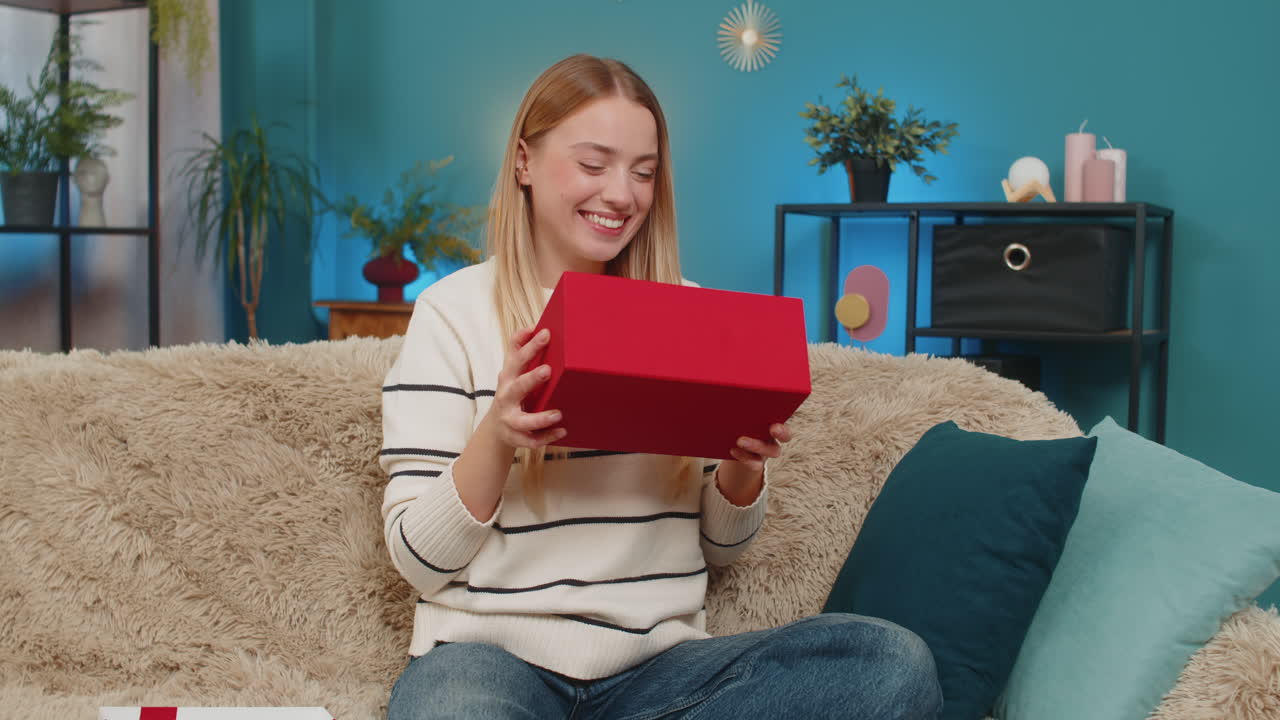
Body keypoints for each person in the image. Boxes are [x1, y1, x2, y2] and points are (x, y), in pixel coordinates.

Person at [379, 54, 942, 719]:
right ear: (524, 162)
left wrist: (742, 466)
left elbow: (722, 549)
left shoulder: (687, 311)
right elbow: (418, 561)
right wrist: (498, 438)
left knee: (890, 665)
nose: (622, 195)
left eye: (643, 173)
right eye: (594, 165)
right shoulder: (453, 311)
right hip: (488, 662)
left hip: (661, 673)